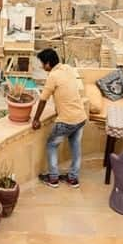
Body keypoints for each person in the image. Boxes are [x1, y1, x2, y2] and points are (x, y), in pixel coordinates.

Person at [31, 48, 88, 189]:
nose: (42, 67)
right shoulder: (67, 68)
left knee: (51, 145)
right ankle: (73, 179)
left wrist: (36, 119)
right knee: (75, 148)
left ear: (49, 64)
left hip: (66, 120)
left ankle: (53, 178)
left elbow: (43, 99)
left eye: (42, 64)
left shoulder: (53, 76)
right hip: (80, 117)